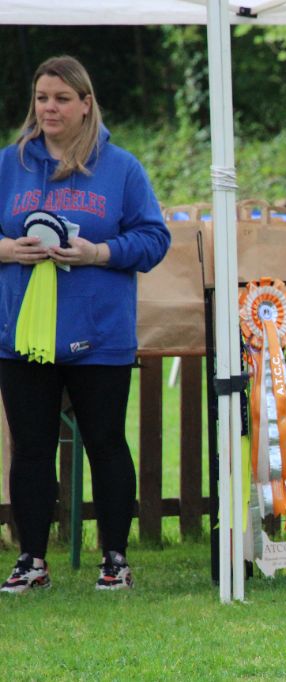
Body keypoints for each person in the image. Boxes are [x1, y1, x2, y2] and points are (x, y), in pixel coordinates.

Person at [0, 56, 170, 593]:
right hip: (22, 336)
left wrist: (99, 251)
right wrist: (7, 248)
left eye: (61, 98)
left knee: (106, 443)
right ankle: (31, 561)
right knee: (30, 449)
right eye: (42, 97)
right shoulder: (10, 164)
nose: (49, 108)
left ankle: (115, 559)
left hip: (99, 335)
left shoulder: (121, 168)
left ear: (86, 103)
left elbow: (154, 239)